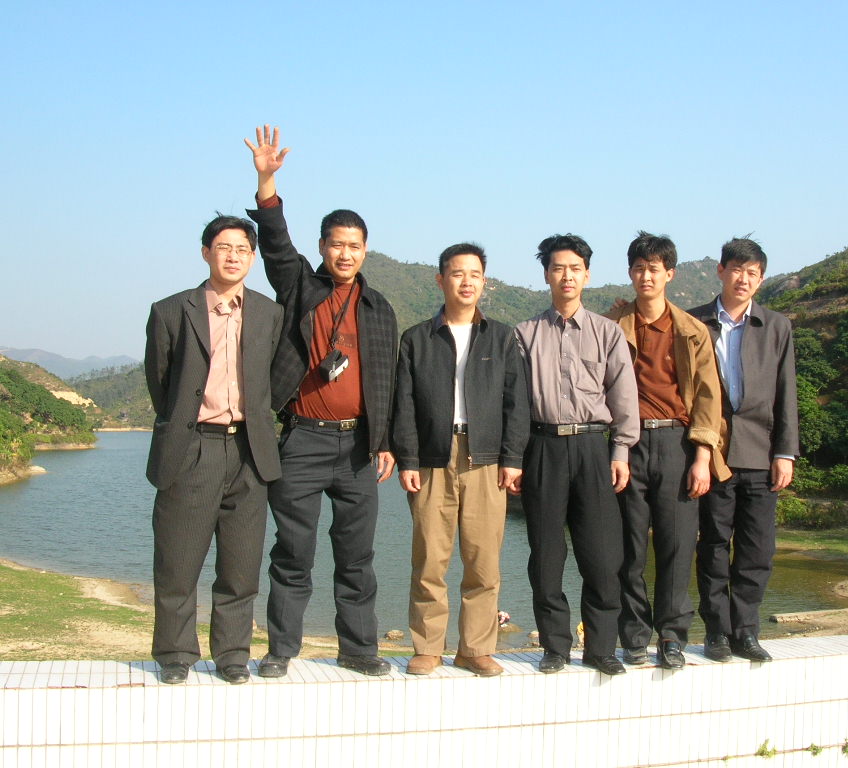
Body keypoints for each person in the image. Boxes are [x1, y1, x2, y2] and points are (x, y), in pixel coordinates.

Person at [243, 125, 398, 677]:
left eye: (354, 246)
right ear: (323, 248)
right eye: (336, 244)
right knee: (293, 551)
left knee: (357, 557)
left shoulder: (379, 308)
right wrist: (267, 183)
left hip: (358, 447)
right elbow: (276, 244)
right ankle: (281, 650)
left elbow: (388, 381)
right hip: (303, 440)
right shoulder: (301, 288)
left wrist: (386, 442)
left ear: (365, 250)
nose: (345, 253)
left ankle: (358, 649)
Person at [145, 215, 283, 685]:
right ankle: (175, 654)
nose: (232, 256)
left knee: (241, 566)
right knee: (178, 561)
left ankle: (232, 655)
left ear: (253, 257)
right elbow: (161, 383)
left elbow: (273, 378)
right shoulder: (171, 310)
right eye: (224, 247)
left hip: (249, 450)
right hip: (192, 448)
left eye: (242, 249)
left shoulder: (268, 313)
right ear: (206, 252)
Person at [391, 243, 530, 677]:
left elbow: (516, 403)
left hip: (485, 456)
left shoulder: (502, 337)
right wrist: (408, 459)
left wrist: (513, 457)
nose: (466, 282)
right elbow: (404, 405)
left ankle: (475, 648)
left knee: (483, 560)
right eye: (457, 273)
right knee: (430, 559)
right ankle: (428, 647)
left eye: (474, 274)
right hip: (433, 456)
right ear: (441, 280)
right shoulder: (417, 338)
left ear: (484, 282)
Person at [515, 234, 640, 676]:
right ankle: (554, 646)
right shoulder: (524, 334)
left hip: (592, 448)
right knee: (546, 556)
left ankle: (601, 648)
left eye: (574, 268)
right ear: (546, 275)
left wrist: (620, 450)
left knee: (602, 557)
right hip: (542, 447)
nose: (566, 276)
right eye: (558, 268)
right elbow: (515, 403)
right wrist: (515, 458)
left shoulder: (608, 333)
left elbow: (623, 396)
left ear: (586, 275)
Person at [605, 232, 730, 670]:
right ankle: (634, 637)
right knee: (629, 547)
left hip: (677, 443)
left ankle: (673, 637)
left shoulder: (692, 331)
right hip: (628, 444)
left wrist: (702, 458)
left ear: (670, 274)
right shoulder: (611, 326)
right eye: (639, 268)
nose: (646, 276)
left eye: (654, 269)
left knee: (677, 547)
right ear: (630, 273)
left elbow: (709, 398)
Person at [688, 238, 798, 663]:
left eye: (752, 273)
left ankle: (746, 631)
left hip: (760, 452)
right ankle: (716, 631)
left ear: (761, 279)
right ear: (721, 271)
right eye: (737, 269)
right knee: (714, 545)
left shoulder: (776, 327)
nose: (743, 279)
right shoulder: (695, 322)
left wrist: (785, 451)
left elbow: (786, 392)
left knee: (757, 548)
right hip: (712, 454)